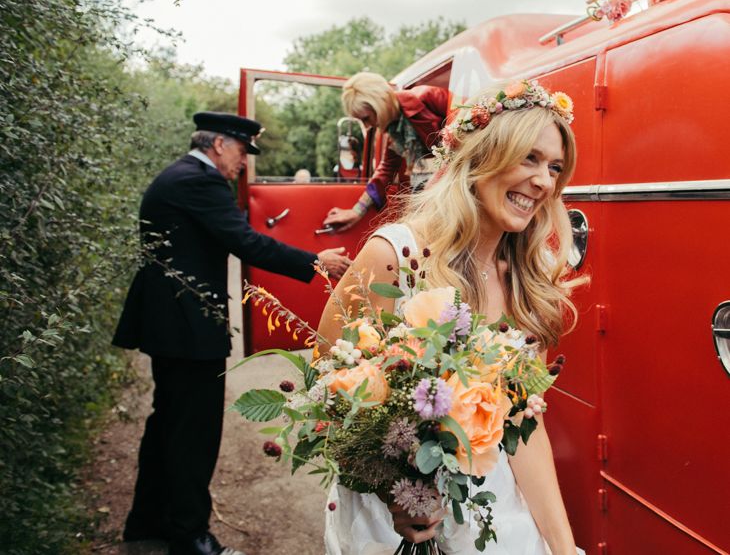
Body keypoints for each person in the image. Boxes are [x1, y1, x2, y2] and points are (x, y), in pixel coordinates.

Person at [318, 80, 585, 554]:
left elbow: (525, 426)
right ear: (481, 156)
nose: (545, 181)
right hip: (393, 524)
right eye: (529, 158)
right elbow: (328, 398)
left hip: (491, 512)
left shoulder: (527, 280)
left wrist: (564, 546)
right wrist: (396, 494)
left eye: (555, 167)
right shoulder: (396, 257)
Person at [113, 111, 350, 555]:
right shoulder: (199, 182)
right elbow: (246, 241)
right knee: (193, 432)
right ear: (219, 144)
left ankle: (147, 522)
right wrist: (316, 262)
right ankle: (189, 536)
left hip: (173, 326)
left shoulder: (180, 177)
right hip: (186, 328)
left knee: (168, 424)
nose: (244, 163)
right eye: (242, 151)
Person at [323, 71, 449, 232]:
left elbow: (467, 127)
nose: (367, 126)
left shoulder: (426, 97)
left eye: (366, 118)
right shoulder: (394, 133)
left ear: (379, 103)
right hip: (428, 196)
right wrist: (356, 211)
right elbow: (385, 171)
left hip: (449, 189)